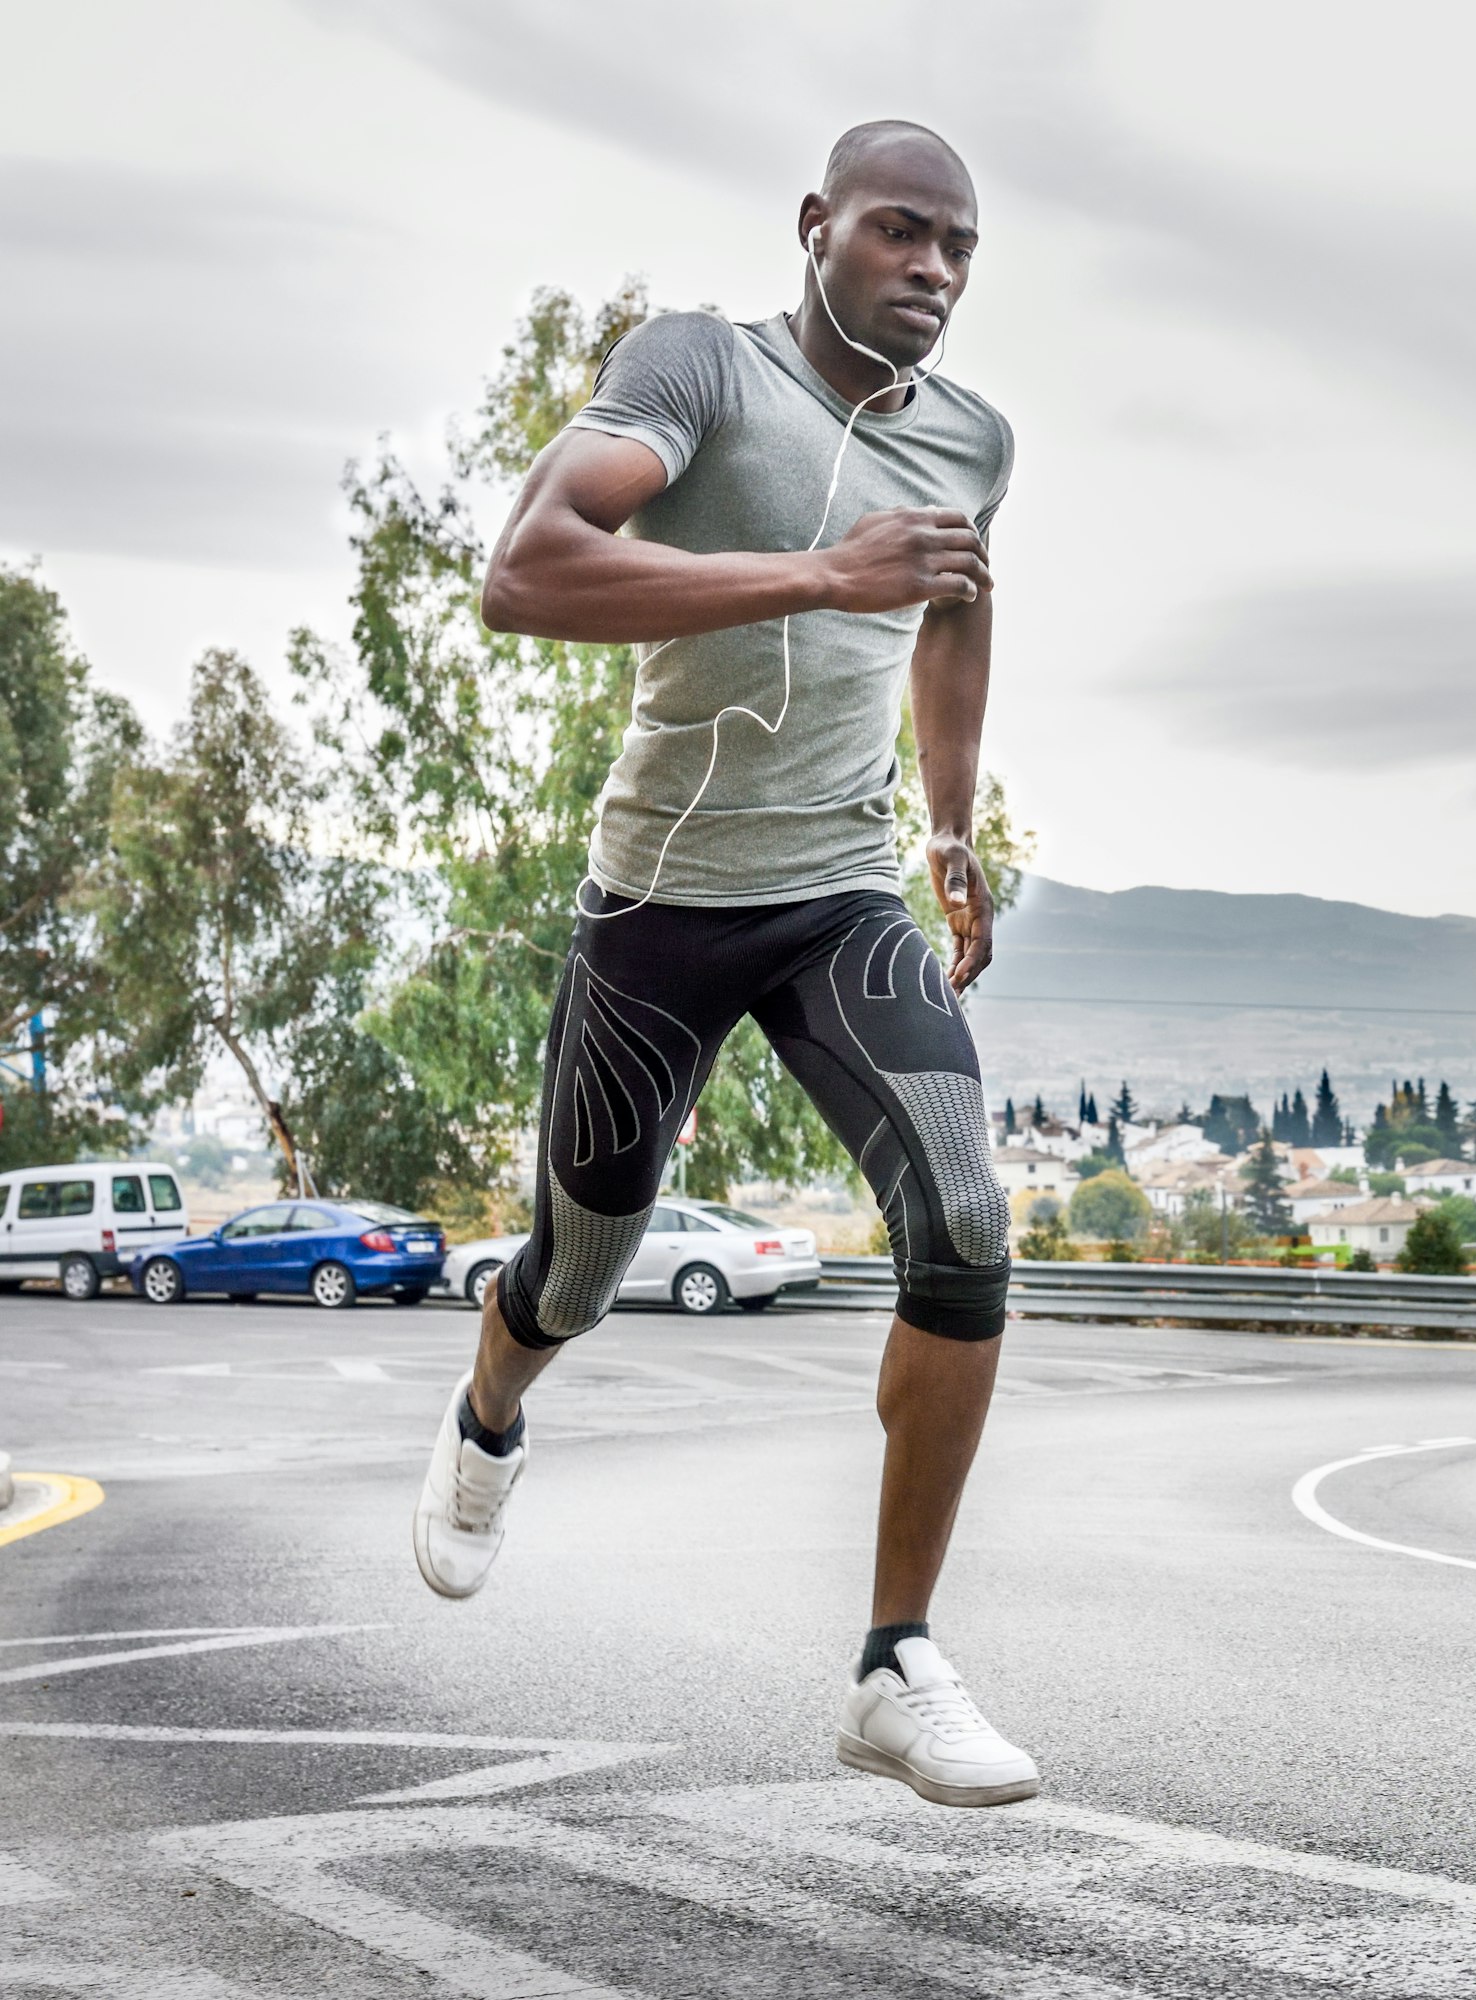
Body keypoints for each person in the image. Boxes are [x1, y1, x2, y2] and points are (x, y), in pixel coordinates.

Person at [410, 121, 1036, 1809]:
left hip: (838, 895)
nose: (934, 270)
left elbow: (958, 600)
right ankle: (487, 1418)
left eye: (960, 247)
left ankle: (895, 1663)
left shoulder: (973, 437)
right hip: (662, 904)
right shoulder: (700, 367)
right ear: (820, 226)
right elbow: (525, 573)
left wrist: (953, 828)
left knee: (968, 1218)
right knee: (580, 1270)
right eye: (902, 232)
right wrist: (828, 569)